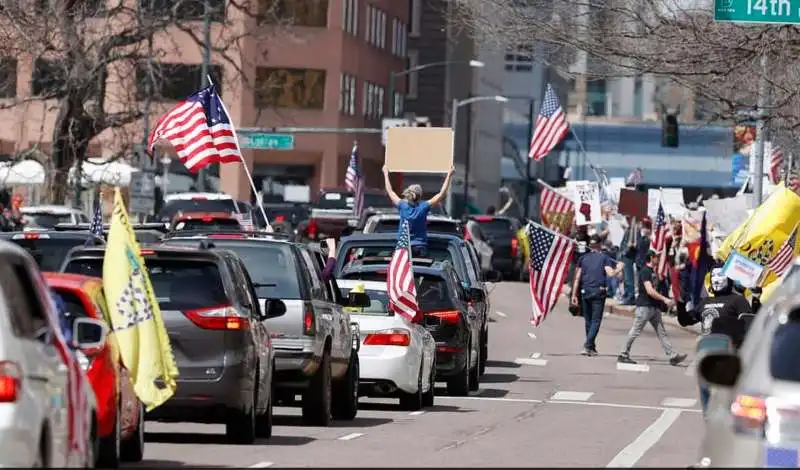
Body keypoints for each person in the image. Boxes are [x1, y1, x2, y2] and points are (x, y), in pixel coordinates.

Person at [676, 266, 755, 411]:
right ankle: (708, 418)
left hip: (729, 354)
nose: (717, 280)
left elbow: (748, 326)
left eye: (721, 275)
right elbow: (686, 320)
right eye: (714, 276)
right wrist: (680, 302)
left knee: (728, 395)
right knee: (706, 392)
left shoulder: (738, 301)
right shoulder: (704, 302)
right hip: (707, 355)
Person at [618, 250, 687, 366]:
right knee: (635, 331)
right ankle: (623, 354)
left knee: (662, 332)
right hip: (644, 306)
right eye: (657, 257)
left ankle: (672, 356)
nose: (659, 259)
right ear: (651, 258)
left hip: (654, 307)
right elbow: (649, 290)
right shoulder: (645, 271)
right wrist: (665, 299)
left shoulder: (652, 272)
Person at [382, 164, 455, 257]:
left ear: (408, 194)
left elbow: (390, 191)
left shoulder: (403, 206)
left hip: (404, 247)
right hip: (420, 247)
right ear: (420, 196)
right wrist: (449, 174)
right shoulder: (423, 207)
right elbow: (441, 194)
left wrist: (385, 173)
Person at [571, 234, 624, 356]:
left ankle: (591, 347)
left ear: (590, 245)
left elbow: (577, 277)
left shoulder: (583, 259)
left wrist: (574, 294)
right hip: (598, 292)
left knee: (588, 320)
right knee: (595, 321)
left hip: (585, 291)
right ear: (600, 245)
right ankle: (587, 345)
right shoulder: (604, 258)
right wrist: (619, 268)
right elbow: (611, 273)